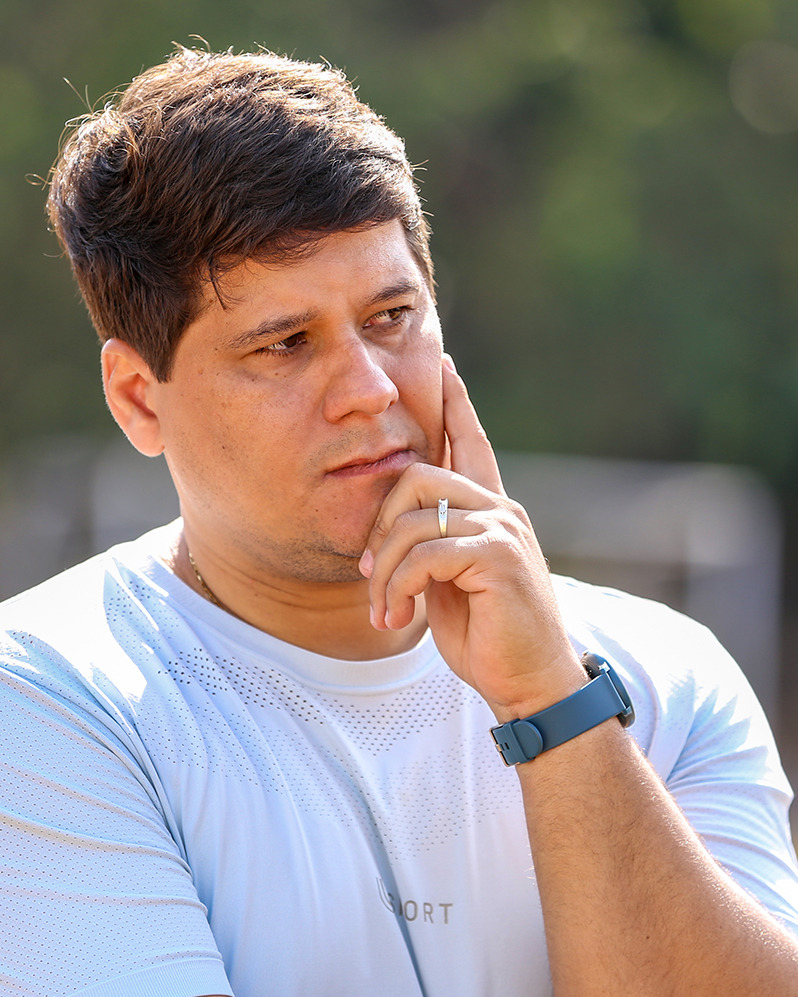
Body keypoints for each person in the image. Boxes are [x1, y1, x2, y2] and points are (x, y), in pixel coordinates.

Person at [1, 44, 797, 997]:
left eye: (389, 317)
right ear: (139, 398)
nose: (370, 389)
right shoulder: (48, 697)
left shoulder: (663, 675)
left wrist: (552, 702)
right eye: (285, 344)